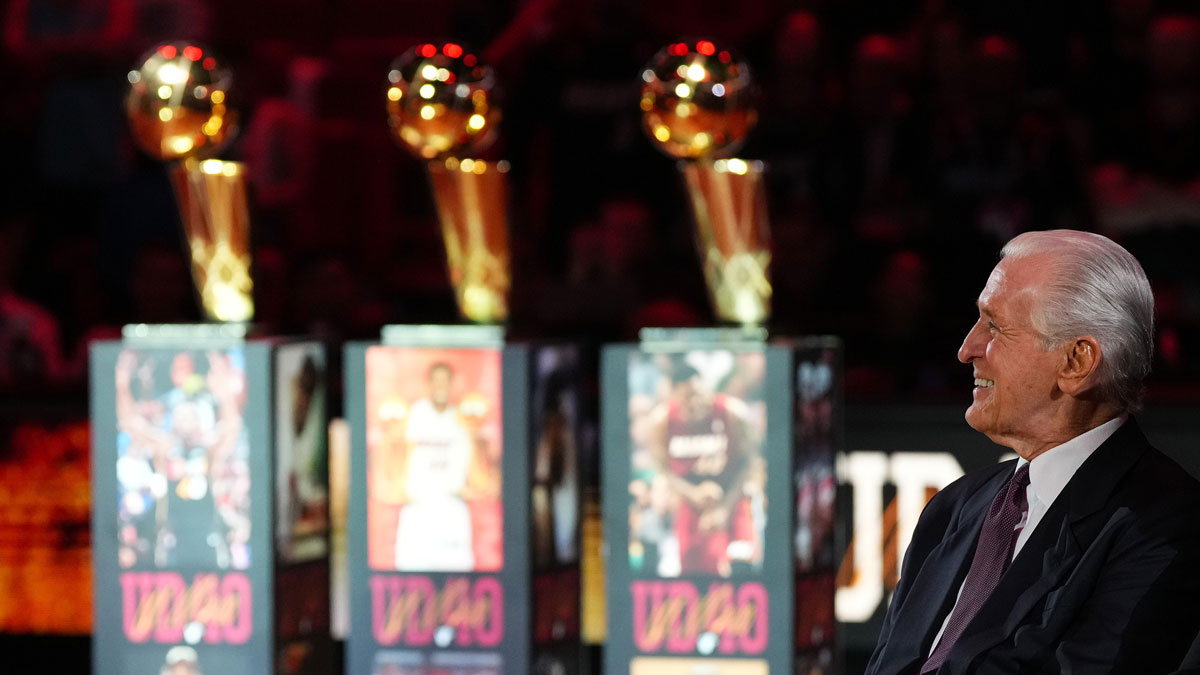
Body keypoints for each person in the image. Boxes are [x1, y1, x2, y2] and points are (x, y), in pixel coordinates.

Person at [866, 230, 1200, 674]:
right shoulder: (953, 508)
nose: (967, 350)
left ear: (1076, 363)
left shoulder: (1165, 523)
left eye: (995, 327)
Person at [645, 360, 763, 577]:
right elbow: (662, 468)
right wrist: (692, 493)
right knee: (695, 576)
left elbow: (749, 463)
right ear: (674, 397)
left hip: (733, 499)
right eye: (687, 398)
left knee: (742, 569)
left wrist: (725, 507)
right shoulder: (662, 421)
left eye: (699, 394)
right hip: (691, 505)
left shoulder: (732, 413)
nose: (696, 402)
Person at [393, 361, 476, 571]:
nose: (440, 385)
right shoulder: (414, 415)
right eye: (436, 380)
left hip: (451, 509)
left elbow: (476, 465)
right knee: (413, 576)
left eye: (445, 380)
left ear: (451, 384)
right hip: (420, 508)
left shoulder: (460, 420)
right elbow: (394, 449)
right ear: (428, 384)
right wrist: (400, 485)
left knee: (455, 579)